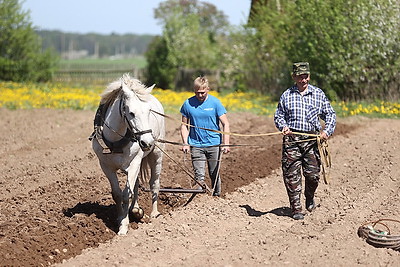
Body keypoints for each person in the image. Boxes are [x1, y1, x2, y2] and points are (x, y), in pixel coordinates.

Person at [274, 62, 336, 220]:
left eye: (305, 76)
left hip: (311, 140)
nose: (303, 80)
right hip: (292, 140)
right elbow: (279, 116)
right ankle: (296, 208)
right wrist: (283, 126)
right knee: (291, 175)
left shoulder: (318, 94)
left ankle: (309, 196)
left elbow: (330, 114)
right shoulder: (287, 95)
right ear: (294, 77)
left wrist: (326, 131)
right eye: (300, 77)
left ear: (309, 76)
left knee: (312, 175)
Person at [180, 76, 230, 196]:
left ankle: (217, 195)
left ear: (207, 89)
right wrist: (185, 143)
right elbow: (183, 126)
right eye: (197, 93)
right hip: (196, 145)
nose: (200, 95)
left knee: (214, 173)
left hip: (213, 144)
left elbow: (225, 123)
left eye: (202, 92)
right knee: (199, 176)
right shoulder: (188, 104)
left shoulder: (215, 103)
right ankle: (200, 198)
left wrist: (226, 143)